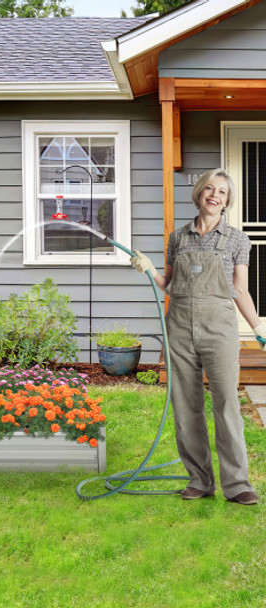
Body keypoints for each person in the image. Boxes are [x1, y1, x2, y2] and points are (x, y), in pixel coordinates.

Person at [130, 168, 261, 506]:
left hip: (220, 328)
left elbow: (240, 290)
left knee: (226, 404)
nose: (214, 195)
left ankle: (238, 484)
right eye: (209, 189)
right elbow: (170, 285)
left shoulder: (237, 239)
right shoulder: (178, 238)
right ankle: (200, 480)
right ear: (200, 194)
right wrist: (150, 270)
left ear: (227, 201)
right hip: (180, 327)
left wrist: (259, 328)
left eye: (221, 192)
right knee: (186, 405)